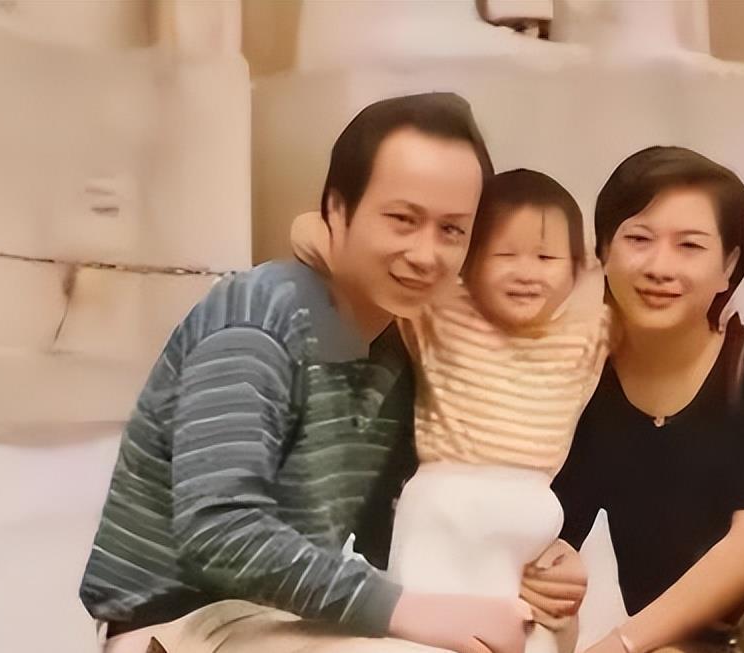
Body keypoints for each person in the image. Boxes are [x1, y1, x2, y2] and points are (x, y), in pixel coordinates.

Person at [79, 93, 585, 653]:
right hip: (177, 624)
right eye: (402, 219)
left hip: (282, 619)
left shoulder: (396, 348)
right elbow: (220, 531)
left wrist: (534, 560)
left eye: (452, 230)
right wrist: (404, 611)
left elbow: (392, 533)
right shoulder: (258, 315)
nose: (426, 254)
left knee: (536, 635)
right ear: (337, 211)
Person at [552, 146, 744, 653]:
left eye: (690, 246)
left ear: (728, 266)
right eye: (639, 239)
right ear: (604, 250)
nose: (660, 266)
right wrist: (552, 571)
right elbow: (555, 527)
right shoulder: (587, 382)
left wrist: (621, 645)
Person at [291, 168, 610, 653]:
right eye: (504, 255)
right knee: (427, 640)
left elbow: (619, 283)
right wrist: (431, 242)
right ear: (469, 261)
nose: (526, 272)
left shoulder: (588, 330)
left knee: (527, 638)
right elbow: (307, 233)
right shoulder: (440, 308)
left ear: (575, 268)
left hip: (532, 515)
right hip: (446, 505)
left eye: (546, 257)